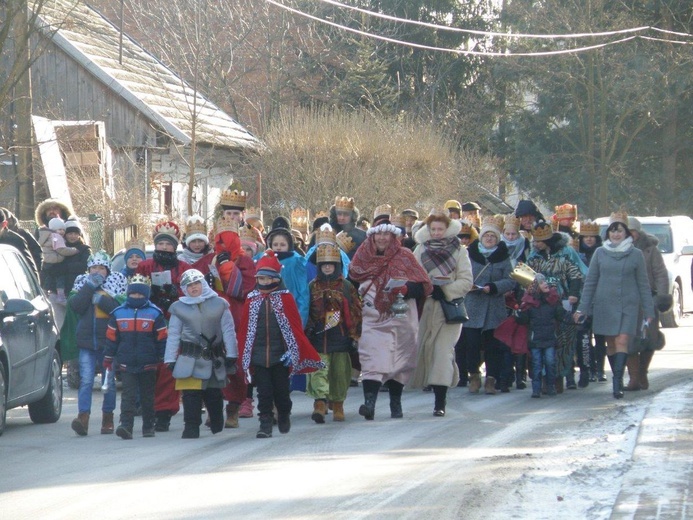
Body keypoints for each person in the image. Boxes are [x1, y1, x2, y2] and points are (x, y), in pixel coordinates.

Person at [348, 205, 432, 420]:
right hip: (372, 316)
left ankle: (396, 402)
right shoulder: (362, 256)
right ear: (372, 235)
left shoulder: (405, 256)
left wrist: (405, 289)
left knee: (400, 360)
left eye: (387, 233)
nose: (383, 238)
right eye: (379, 233)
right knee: (372, 358)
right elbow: (352, 279)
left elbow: (422, 285)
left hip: (402, 316)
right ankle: (369, 404)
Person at [237, 250, 324, 438]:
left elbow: (294, 329)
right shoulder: (251, 300)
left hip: (280, 356)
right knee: (264, 392)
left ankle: (284, 413)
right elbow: (245, 330)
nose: (265, 283)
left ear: (276, 279)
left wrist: (292, 351)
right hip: (259, 356)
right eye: (261, 279)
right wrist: (246, 355)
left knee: (282, 392)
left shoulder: (285, 298)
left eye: (269, 279)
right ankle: (265, 423)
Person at [575, 211, 654, 399]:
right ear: (607, 234)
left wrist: (649, 310)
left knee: (622, 341)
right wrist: (583, 308)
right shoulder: (600, 253)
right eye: (612, 231)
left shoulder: (635, 255)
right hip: (605, 305)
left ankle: (617, 382)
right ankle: (616, 379)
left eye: (619, 231)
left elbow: (643, 284)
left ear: (626, 233)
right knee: (611, 344)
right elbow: (591, 282)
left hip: (629, 304)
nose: (616, 234)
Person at [193, 217, 256, 428]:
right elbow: (192, 282)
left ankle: (234, 408)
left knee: (234, 366)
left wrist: (228, 268)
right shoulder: (206, 261)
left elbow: (246, 289)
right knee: (210, 365)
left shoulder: (245, 262)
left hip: (236, 320)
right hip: (209, 321)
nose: (225, 244)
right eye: (221, 240)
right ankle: (213, 409)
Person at [411, 209, 473, 416]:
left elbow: (466, 280)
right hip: (426, 308)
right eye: (433, 229)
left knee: (442, 352)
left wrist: (445, 290)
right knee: (426, 348)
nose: (436, 232)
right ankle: (430, 384)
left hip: (449, 309)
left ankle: (440, 402)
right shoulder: (420, 249)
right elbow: (412, 275)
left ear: (448, 229)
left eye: (440, 229)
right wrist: (425, 288)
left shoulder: (459, 250)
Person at [165, 269, 238, 438]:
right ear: (184, 288)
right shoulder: (179, 308)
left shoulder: (219, 304)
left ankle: (216, 419)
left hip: (213, 357)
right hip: (188, 357)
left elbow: (228, 330)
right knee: (190, 395)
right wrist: (170, 358)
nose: (193, 288)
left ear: (203, 284)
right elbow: (174, 333)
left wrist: (232, 354)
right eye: (189, 285)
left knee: (213, 393)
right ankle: (191, 426)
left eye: (196, 283)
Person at [136, 221, 191, 432]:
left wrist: (174, 296)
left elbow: (192, 293)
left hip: (174, 323)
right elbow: (135, 291)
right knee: (149, 368)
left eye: (169, 244)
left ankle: (164, 412)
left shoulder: (184, 268)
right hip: (148, 323)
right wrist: (152, 296)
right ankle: (148, 410)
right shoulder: (145, 266)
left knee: (169, 368)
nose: (165, 248)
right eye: (161, 244)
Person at [68, 251, 128, 436]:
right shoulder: (82, 282)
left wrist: (102, 299)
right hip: (87, 342)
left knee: (108, 382)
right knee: (86, 380)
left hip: (108, 342)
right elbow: (76, 306)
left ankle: (107, 417)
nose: (97, 271)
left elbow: (118, 310)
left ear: (107, 270)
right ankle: (83, 417)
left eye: (101, 268)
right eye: (94, 267)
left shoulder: (116, 283)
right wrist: (89, 287)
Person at [104, 275, 168, 439]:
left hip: (149, 362)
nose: (136, 297)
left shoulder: (154, 313)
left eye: (140, 295)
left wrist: (163, 357)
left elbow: (162, 338)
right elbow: (112, 339)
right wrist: (108, 357)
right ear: (128, 294)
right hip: (126, 362)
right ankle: (126, 425)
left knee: (147, 396)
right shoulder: (118, 314)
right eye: (133, 294)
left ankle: (148, 426)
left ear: (146, 295)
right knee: (128, 395)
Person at [306, 243, 362, 423]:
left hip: (340, 336)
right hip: (318, 337)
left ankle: (338, 404)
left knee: (340, 372)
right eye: (323, 264)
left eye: (331, 264)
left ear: (337, 265)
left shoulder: (346, 286)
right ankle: (320, 402)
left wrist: (355, 335)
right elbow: (305, 310)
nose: (327, 267)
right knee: (318, 370)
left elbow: (355, 311)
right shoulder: (311, 286)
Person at [527, 220, 585, 392]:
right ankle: (545, 378)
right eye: (535, 241)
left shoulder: (565, 254)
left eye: (539, 241)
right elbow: (527, 277)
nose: (536, 244)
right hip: (541, 305)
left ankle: (560, 375)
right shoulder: (534, 256)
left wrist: (574, 294)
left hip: (563, 301)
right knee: (543, 341)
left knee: (564, 341)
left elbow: (576, 274)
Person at [461, 215, 516, 394]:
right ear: (481, 238)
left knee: (493, 346)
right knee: (472, 345)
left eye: (493, 236)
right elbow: (461, 274)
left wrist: (493, 287)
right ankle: (474, 375)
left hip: (493, 307)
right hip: (472, 304)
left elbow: (511, 280)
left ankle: (491, 379)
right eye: (486, 236)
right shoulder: (470, 254)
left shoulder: (503, 256)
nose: (489, 239)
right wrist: (467, 285)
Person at [625, 217, 670, 391]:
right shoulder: (619, 248)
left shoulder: (651, 249)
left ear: (638, 231)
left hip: (648, 300)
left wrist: (662, 296)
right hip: (627, 301)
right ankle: (634, 378)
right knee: (628, 340)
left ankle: (643, 371)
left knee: (650, 339)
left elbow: (660, 273)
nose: (630, 234)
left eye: (632, 230)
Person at [515, 274, 565, 398]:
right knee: (536, 364)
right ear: (535, 286)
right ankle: (536, 389)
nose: (545, 284)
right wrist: (519, 312)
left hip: (549, 337)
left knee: (550, 362)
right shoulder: (528, 302)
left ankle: (551, 386)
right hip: (535, 338)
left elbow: (561, 316)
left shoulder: (553, 299)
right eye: (541, 282)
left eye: (545, 281)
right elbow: (523, 320)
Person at [578, 220, 606, 383]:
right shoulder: (576, 254)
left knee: (601, 338)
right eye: (586, 236)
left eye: (592, 237)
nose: (589, 240)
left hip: (601, 301)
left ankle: (600, 369)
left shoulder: (603, 253)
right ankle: (586, 369)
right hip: (583, 301)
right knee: (583, 338)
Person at [37, 217, 79, 302]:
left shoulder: (45, 235)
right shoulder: (56, 237)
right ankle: (61, 295)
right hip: (54, 261)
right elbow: (61, 249)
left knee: (49, 277)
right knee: (60, 276)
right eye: (59, 229)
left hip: (46, 260)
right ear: (53, 229)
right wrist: (74, 250)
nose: (62, 232)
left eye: (63, 230)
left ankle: (44, 293)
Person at [2, 207, 42, 271]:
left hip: (21, 270)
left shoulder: (21, 235)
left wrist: (34, 269)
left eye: (8, 219)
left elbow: (36, 250)